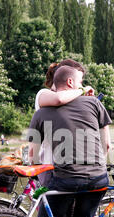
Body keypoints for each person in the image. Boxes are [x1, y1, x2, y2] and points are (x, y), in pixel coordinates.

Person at [26, 65, 112, 217]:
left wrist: (35, 177)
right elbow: (107, 145)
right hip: (98, 179)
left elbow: (32, 155)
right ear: (73, 83)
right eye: (81, 81)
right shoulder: (95, 103)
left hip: (64, 179)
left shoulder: (41, 112)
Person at [34, 59, 95, 187]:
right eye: (79, 81)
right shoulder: (44, 94)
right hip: (50, 166)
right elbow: (59, 99)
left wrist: (89, 102)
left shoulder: (72, 98)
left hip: (72, 169)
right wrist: (83, 90)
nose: (80, 85)